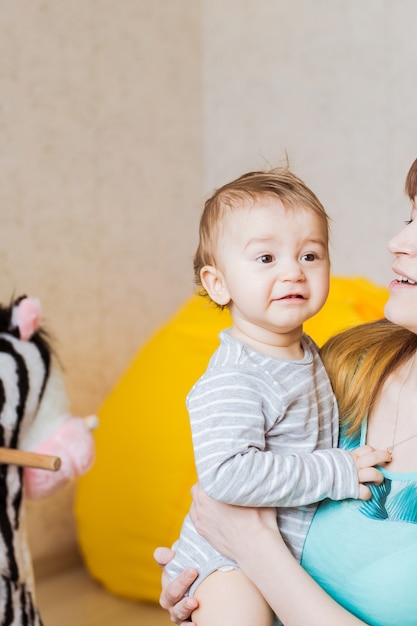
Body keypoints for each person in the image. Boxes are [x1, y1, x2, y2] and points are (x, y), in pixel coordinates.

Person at [155, 157, 417, 626]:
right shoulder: (336, 364)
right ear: (217, 285)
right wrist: (206, 572)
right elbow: (224, 481)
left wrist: (254, 550)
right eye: (265, 258)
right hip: (226, 566)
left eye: (310, 256)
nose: (396, 242)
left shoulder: (306, 359)